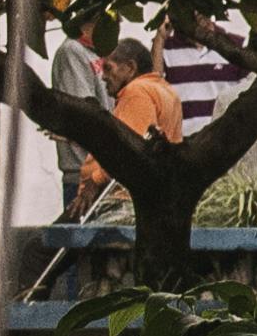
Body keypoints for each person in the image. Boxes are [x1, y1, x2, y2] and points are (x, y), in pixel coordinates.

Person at [76, 32, 183, 215]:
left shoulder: (137, 91)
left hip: (122, 202)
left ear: (130, 68)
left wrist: (95, 180)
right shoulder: (164, 89)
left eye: (108, 68)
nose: (103, 77)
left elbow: (130, 149)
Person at [44, 16, 111, 212]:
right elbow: (83, 114)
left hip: (103, 169)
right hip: (83, 172)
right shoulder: (73, 51)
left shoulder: (96, 53)